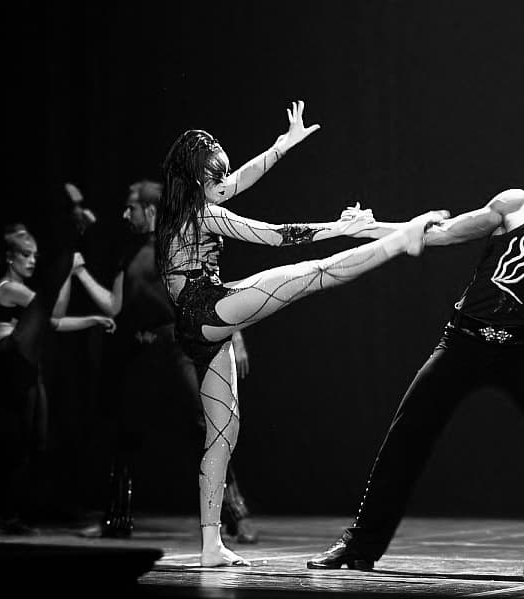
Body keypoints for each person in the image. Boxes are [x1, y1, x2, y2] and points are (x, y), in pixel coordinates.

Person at [307, 144, 524, 580]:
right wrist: (369, 228)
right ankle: (359, 545)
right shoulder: (515, 206)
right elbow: (442, 232)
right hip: (463, 342)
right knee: (406, 435)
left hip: (523, 353)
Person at [156, 100, 447, 566]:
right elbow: (271, 235)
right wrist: (339, 226)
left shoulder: (187, 205)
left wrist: (282, 145)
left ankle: (212, 545)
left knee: (223, 432)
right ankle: (399, 240)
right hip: (205, 307)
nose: (223, 186)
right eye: (215, 179)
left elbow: (237, 182)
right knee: (311, 275)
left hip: (198, 324)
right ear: (196, 180)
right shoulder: (202, 213)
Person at [70, 181, 259, 543]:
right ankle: (116, 521)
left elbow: (216, 291)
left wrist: (236, 336)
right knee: (124, 433)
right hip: (142, 352)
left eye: (132, 207)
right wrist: (79, 274)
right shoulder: (130, 253)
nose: (127, 215)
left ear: (151, 210)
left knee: (205, 427)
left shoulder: (178, 247)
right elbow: (114, 305)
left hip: (178, 347)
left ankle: (237, 515)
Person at [0, 221, 115, 534]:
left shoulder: (23, 294)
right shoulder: (8, 288)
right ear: (10, 257)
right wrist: (70, 271)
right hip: (9, 356)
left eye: (35, 255)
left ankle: (13, 512)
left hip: (26, 363)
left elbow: (51, 323)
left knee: (36, 441)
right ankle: (4, 515)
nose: (31, 261)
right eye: (25, 255)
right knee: (19, 442)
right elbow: (51, 312)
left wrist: (93, 319)